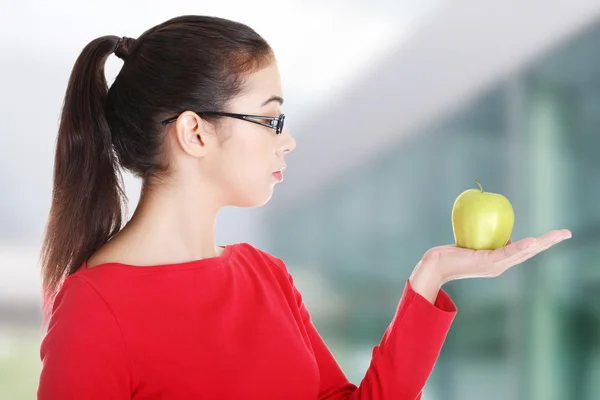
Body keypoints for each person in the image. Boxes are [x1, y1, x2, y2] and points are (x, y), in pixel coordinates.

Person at [36, 15, 571, 400]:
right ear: (195, 132)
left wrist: (432, 276)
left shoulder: (265, 275)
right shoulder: (94, 312)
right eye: (271, 120)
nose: (286, 142)